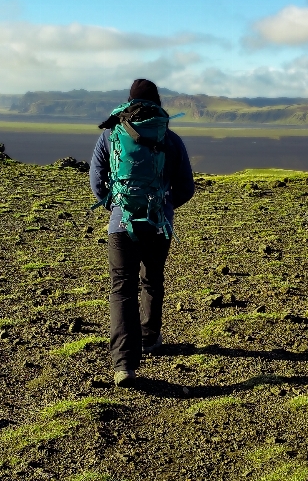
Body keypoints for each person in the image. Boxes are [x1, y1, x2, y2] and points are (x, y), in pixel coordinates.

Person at [89, 79, 195, 387]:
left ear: (129, 102)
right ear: (158, 103)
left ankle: (124, 364)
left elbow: (97, 184)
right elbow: (186, 187)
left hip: (121, 225)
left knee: (122, 288)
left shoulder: (110, 136)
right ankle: (150, 337)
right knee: (152, 279)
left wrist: (119, 206)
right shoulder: (171, 139)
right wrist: (164, 205)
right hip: (159, 224)